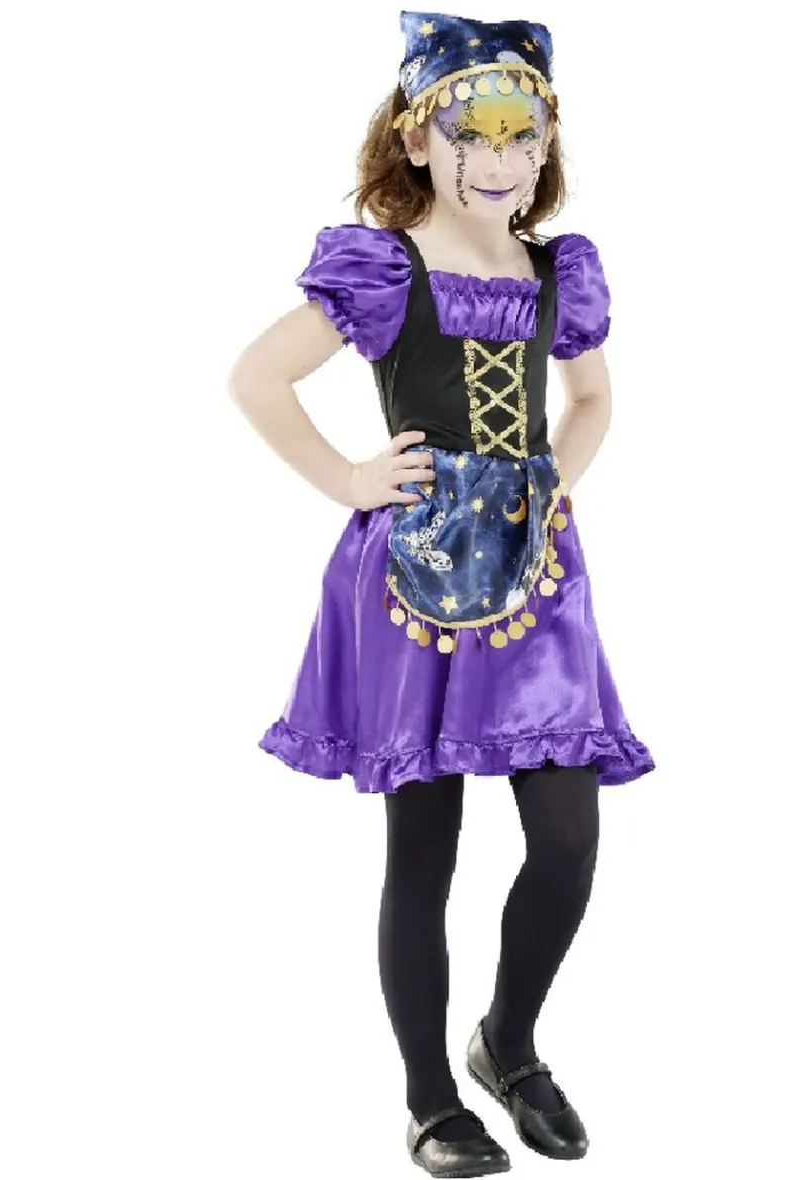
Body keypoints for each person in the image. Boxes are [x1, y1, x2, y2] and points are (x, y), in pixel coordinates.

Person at [228, 10, 656, 1176]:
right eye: (474, 132)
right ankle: (428, 1096)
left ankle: (506, 1043)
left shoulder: (555, 271)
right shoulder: (387, 268)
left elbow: (591, 400)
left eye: (525, 135)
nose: (502, 158)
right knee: (424, 846)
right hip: (408, 582)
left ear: (547, 146)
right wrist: (348, 480)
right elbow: (258, 376)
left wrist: (549, 487)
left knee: (566, 835)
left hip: (534, 582)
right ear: (418, 140)